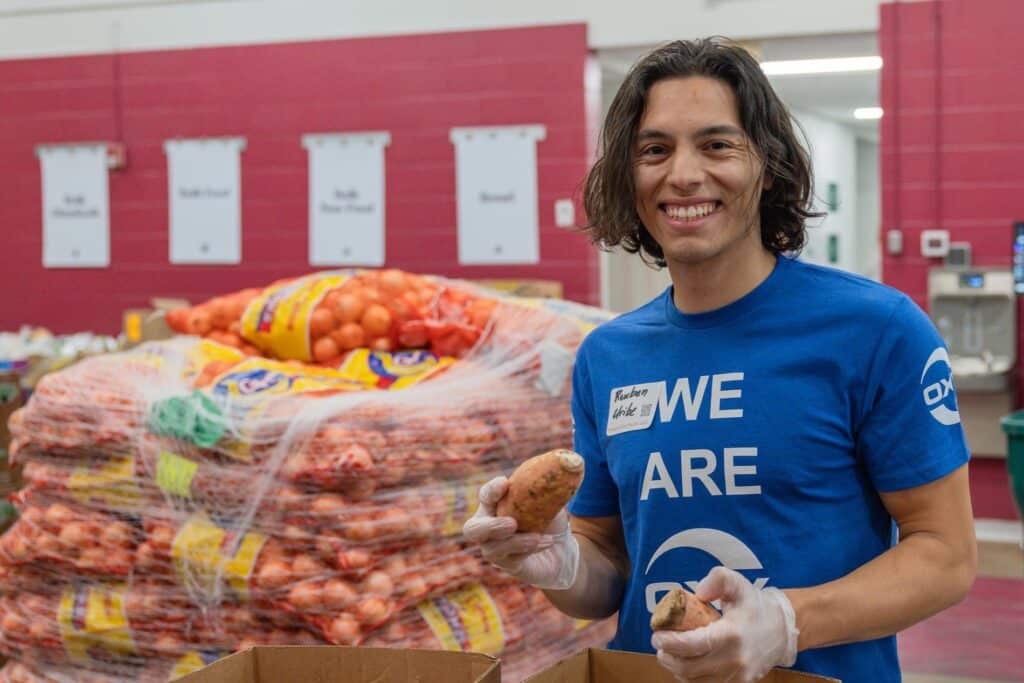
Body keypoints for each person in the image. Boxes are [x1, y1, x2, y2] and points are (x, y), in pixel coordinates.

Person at [463, 37, 977, 682]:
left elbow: (945, 555)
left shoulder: (874, 329)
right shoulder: (608, 355)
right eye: (654, 150)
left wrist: (786, 622)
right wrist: (559, 560)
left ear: (769, 164)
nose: (682, 174)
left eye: (716, 144)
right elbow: (607, 566)